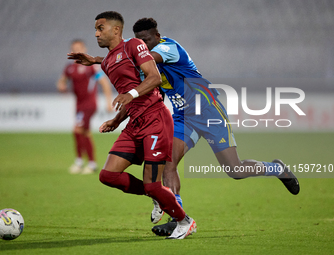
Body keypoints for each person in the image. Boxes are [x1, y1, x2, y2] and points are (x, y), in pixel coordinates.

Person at [68, 16, 299, 236]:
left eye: (147, 40)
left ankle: (277, 168)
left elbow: (141, 57)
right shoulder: (140, 50)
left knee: (234, 170)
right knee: (169, 163)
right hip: (182, 116)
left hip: (208, 110)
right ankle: (175, 217)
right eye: (140, 40)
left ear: (157, 35)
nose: (143, 44)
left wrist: (117, 57)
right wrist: (97, 59)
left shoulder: (169, 48)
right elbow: (129, 54)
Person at [68, 11, 196, 239]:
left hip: (156, 119)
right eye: (95, 29)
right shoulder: (107, 62)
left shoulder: (135, 45)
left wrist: (132, 93)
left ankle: (184, 221)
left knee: (153, 184)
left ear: (116, 30)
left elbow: (154, 78)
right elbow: (120, 74)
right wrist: (116, 120)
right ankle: (157, 197)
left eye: (100, 28)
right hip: (135, 123)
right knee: (108, 175)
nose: (96, 33)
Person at [57, 39, 114, 174]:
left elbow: (104, 83)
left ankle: (86, 163)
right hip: (78, 104)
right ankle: (86, 163)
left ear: (84, 49)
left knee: (78, 129)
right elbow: (61, 82)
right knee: (82, 131)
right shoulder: (69, 68)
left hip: (89, 104)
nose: (77, 51)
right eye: (74, 49)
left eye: (79, 48)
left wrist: (108, 102)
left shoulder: (91, 66)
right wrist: (61, 86)